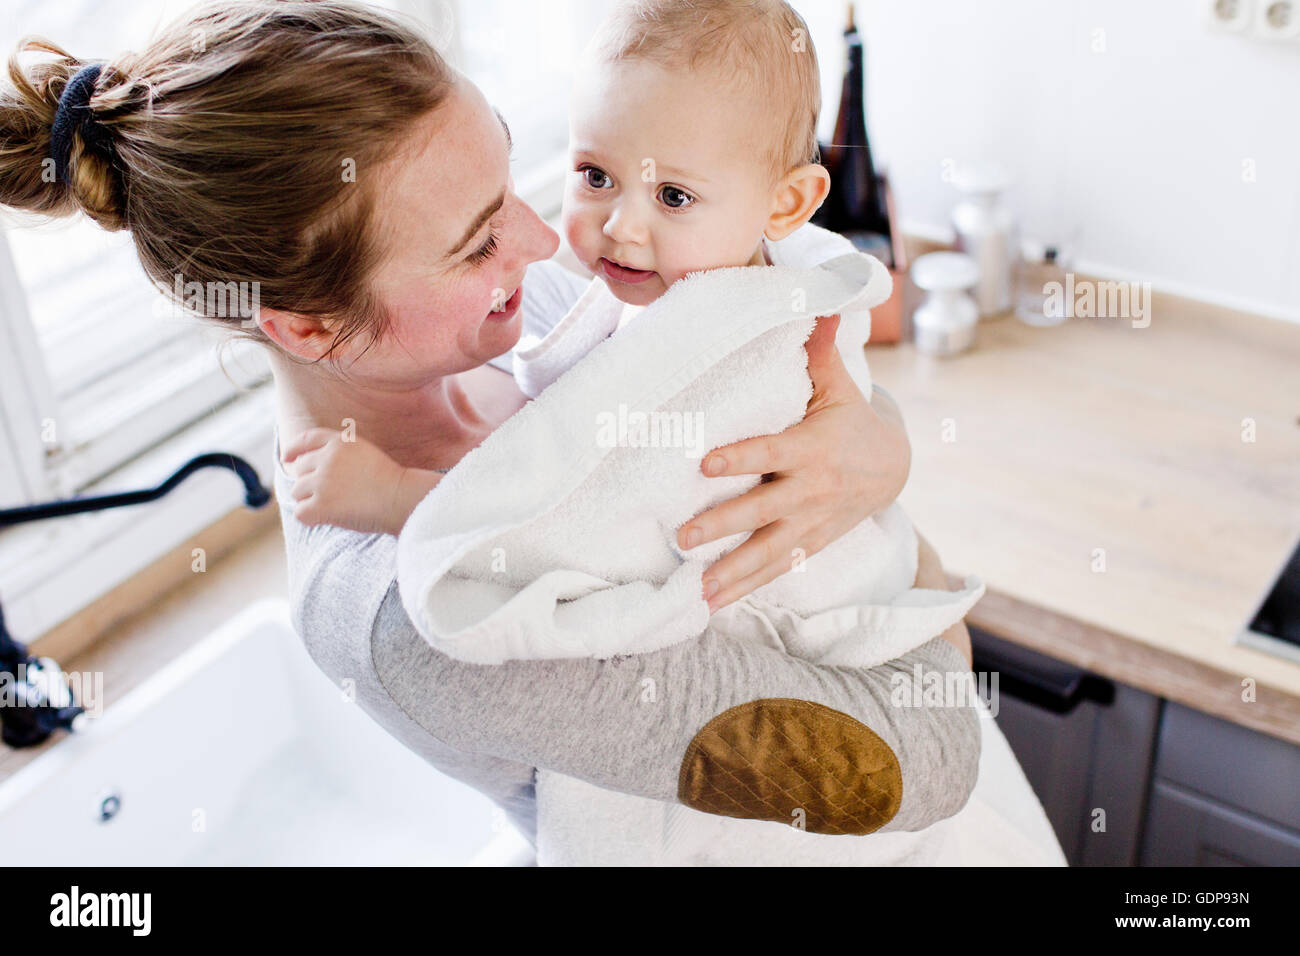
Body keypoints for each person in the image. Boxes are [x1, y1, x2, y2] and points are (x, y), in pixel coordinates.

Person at [0, 0, 982, 852]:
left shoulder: (538, 301)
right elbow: (919, 761)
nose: (548, 238)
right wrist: (917, 571)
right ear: (310, 325)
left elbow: (765, 360)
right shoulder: (410, 618)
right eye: (478, 240)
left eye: (515, 179)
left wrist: (870, 440)